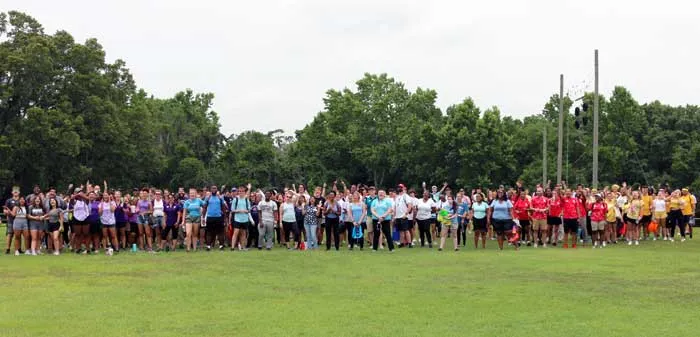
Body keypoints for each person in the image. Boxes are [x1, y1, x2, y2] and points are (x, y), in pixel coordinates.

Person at [230, 185, 252, 251]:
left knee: (243, 234)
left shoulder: (246, 200)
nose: (240, 192)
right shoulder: (235, 199)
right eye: (239, 191)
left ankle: (243, 247)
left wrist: (246, 211)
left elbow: (249, 209)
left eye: (242, 191)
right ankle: (232, 247)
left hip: (245, 219)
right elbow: (232, 210)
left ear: (244, 192)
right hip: (237, 219)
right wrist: (239, 211)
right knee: (235, 233)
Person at [394, 184, 413, 248]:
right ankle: (402, 243)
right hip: (398, 216)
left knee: (406, 230)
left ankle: (410, 243)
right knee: (401, 231)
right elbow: (395, 207)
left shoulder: (406, 196)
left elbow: (410, 205)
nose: (399, 188)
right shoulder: (397, 197)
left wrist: (406, 214)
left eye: (400, 187)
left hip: (403, 216)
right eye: (398, 187)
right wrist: (394, 216)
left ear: (403, 188)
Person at [4, 188, 21, 254]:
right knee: (10, 234)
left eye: (17, 191)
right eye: (14, 191)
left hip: (19, 220)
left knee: (18, 235)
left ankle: (18, 249)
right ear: (12, 192)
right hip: (11, 220)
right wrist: (7, 212)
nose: (15, 192)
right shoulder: (9, 200)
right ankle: (8, 249)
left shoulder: (21, 200)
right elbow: (5, 210)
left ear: (19, 192)